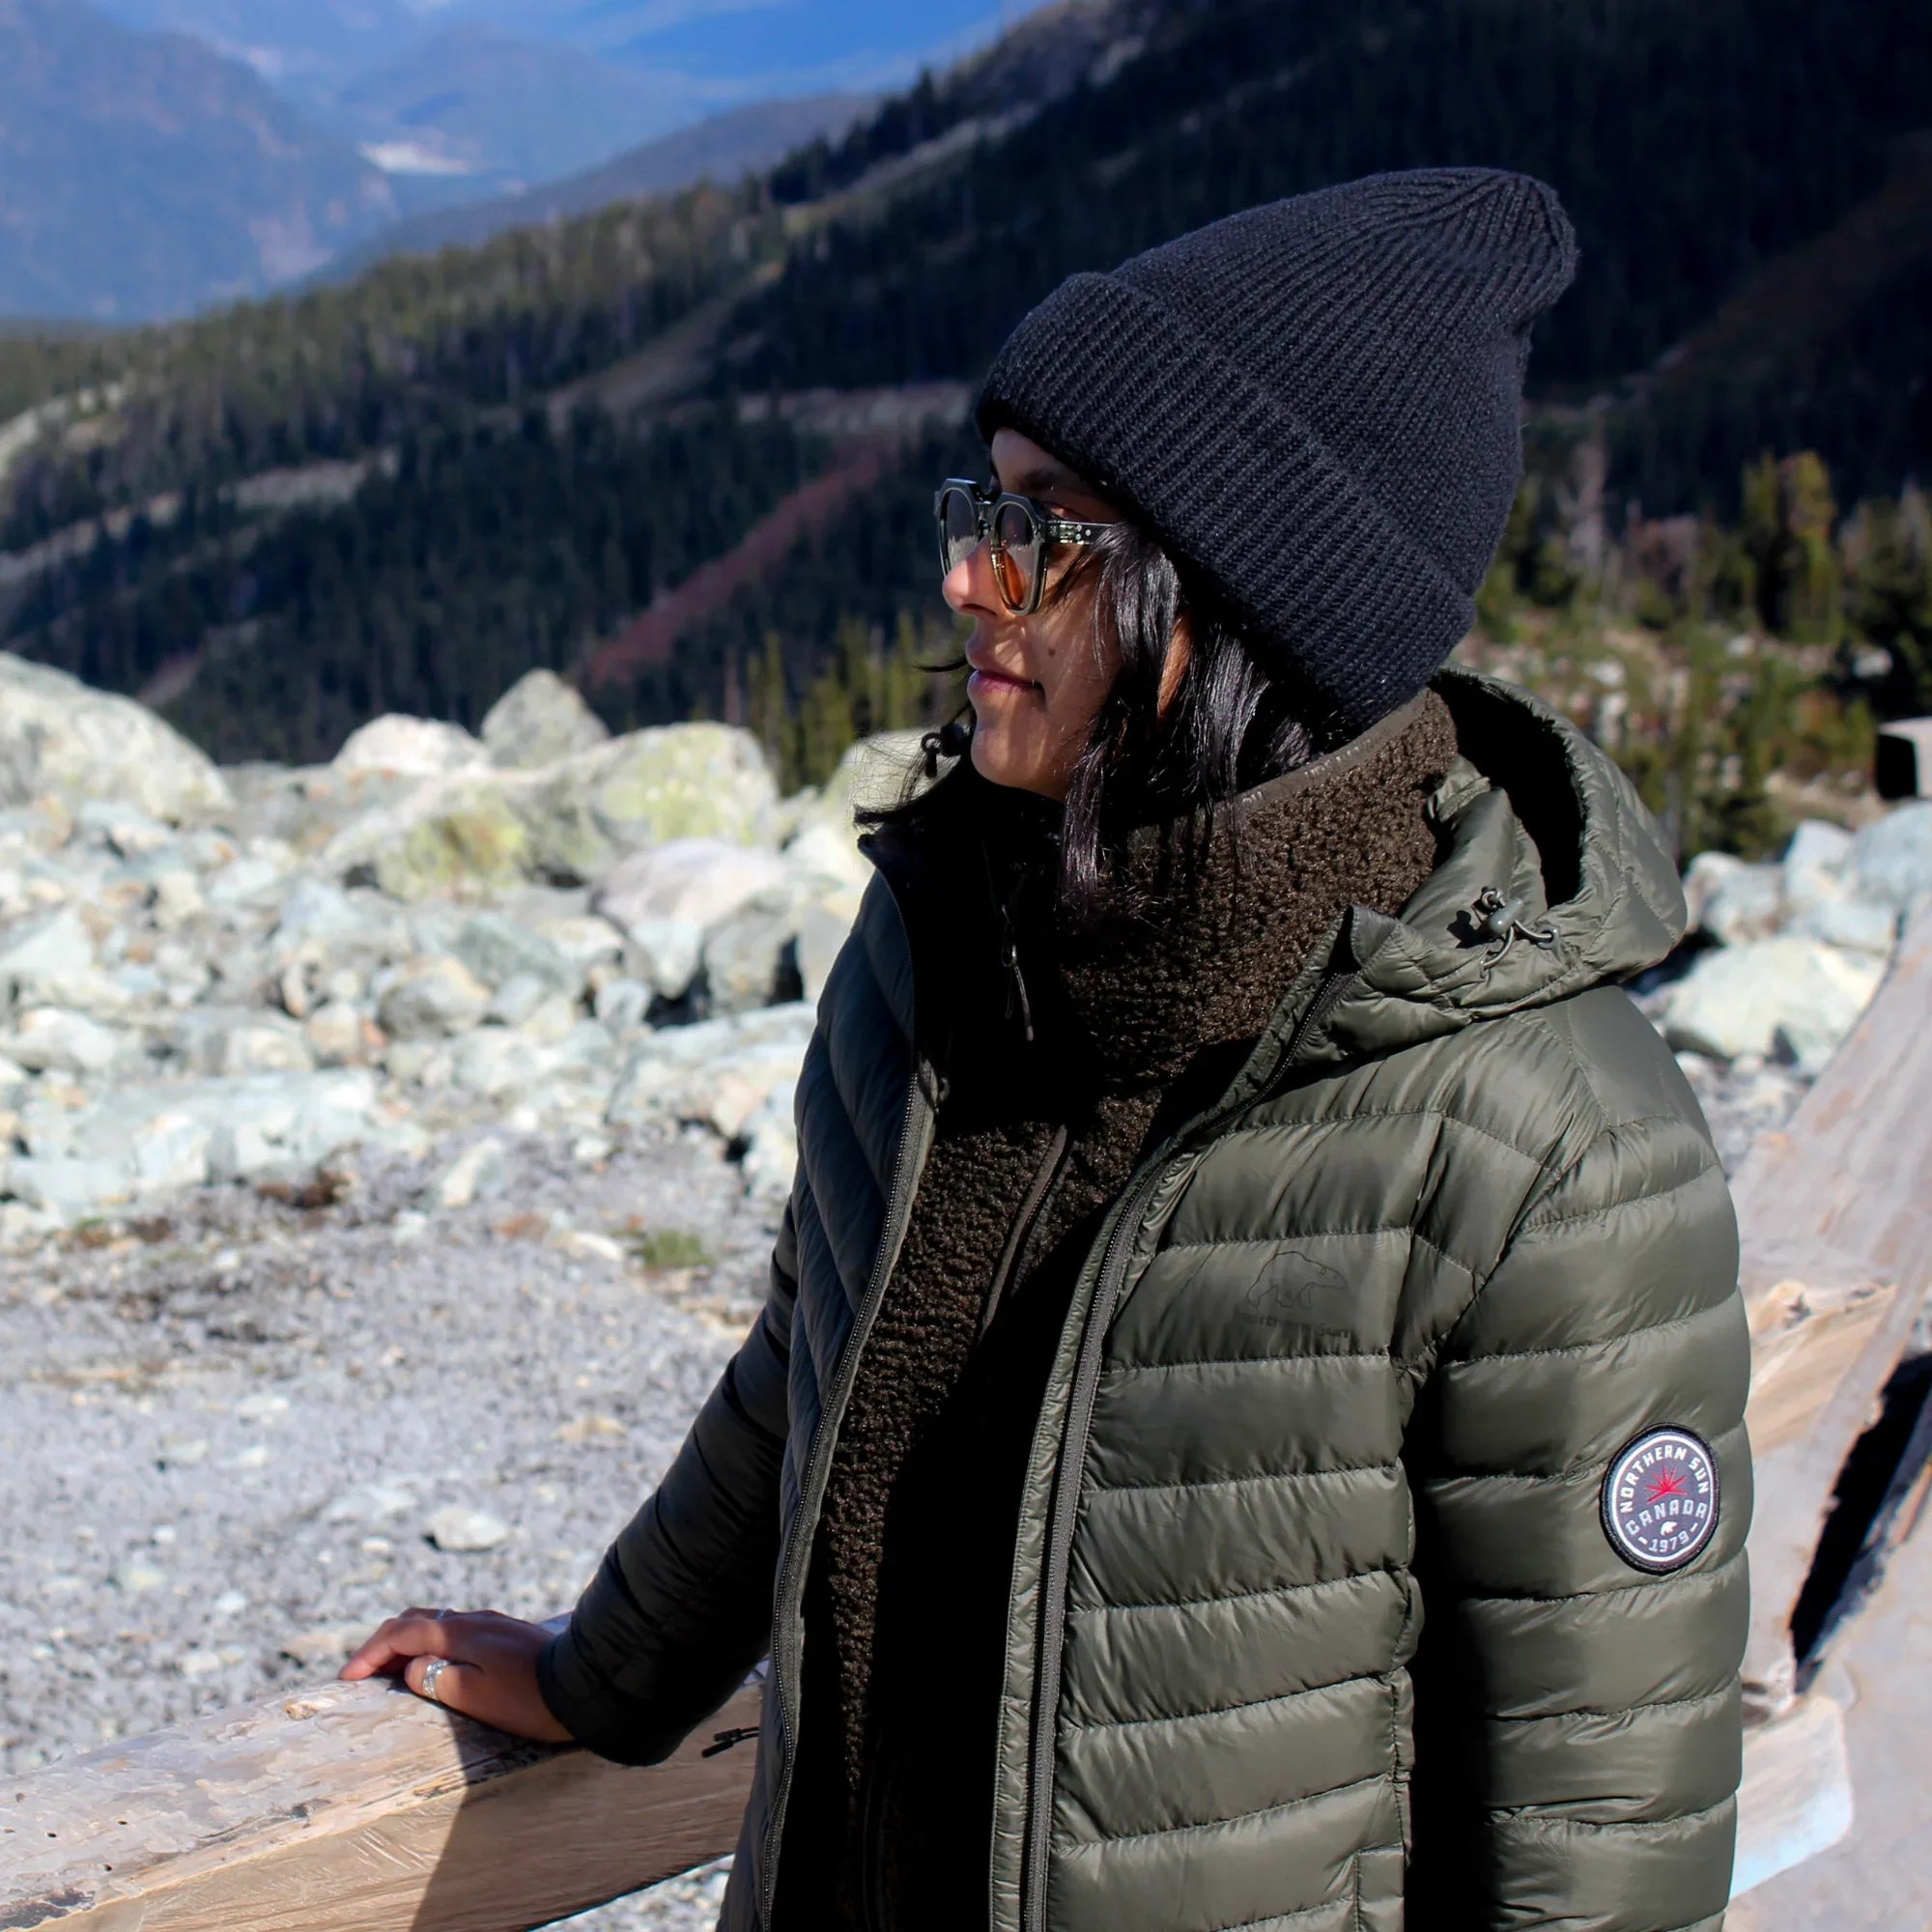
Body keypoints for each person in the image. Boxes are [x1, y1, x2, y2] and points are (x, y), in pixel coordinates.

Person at [345, 168, 1751, 1932]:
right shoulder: (942, 945)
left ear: (1245, 594)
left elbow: (1599, 1832)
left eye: (1044, 529)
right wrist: (602, 1671)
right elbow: (811, 1361)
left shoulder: (1542, 1138)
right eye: (980, 507)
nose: (965, 576)